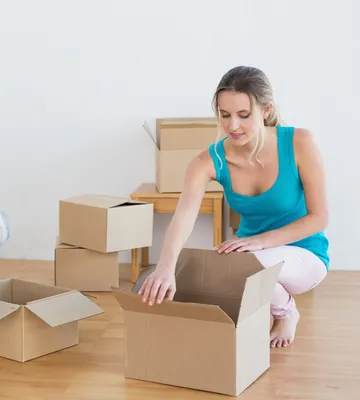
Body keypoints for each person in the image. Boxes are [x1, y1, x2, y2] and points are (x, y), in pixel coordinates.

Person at [136, 65, 329, 348]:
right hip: (248, 258)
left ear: (265, 110)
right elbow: (184, 215)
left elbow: (319, 217)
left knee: (246, 266)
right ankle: (271, 300)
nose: (233, 126)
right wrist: (165, 267)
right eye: (224, 115)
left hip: (305, 255)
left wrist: (261, 242)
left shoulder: (300, 142)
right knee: (223, 269)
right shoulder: (207, 161)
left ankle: (286, 312)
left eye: (243, 115)